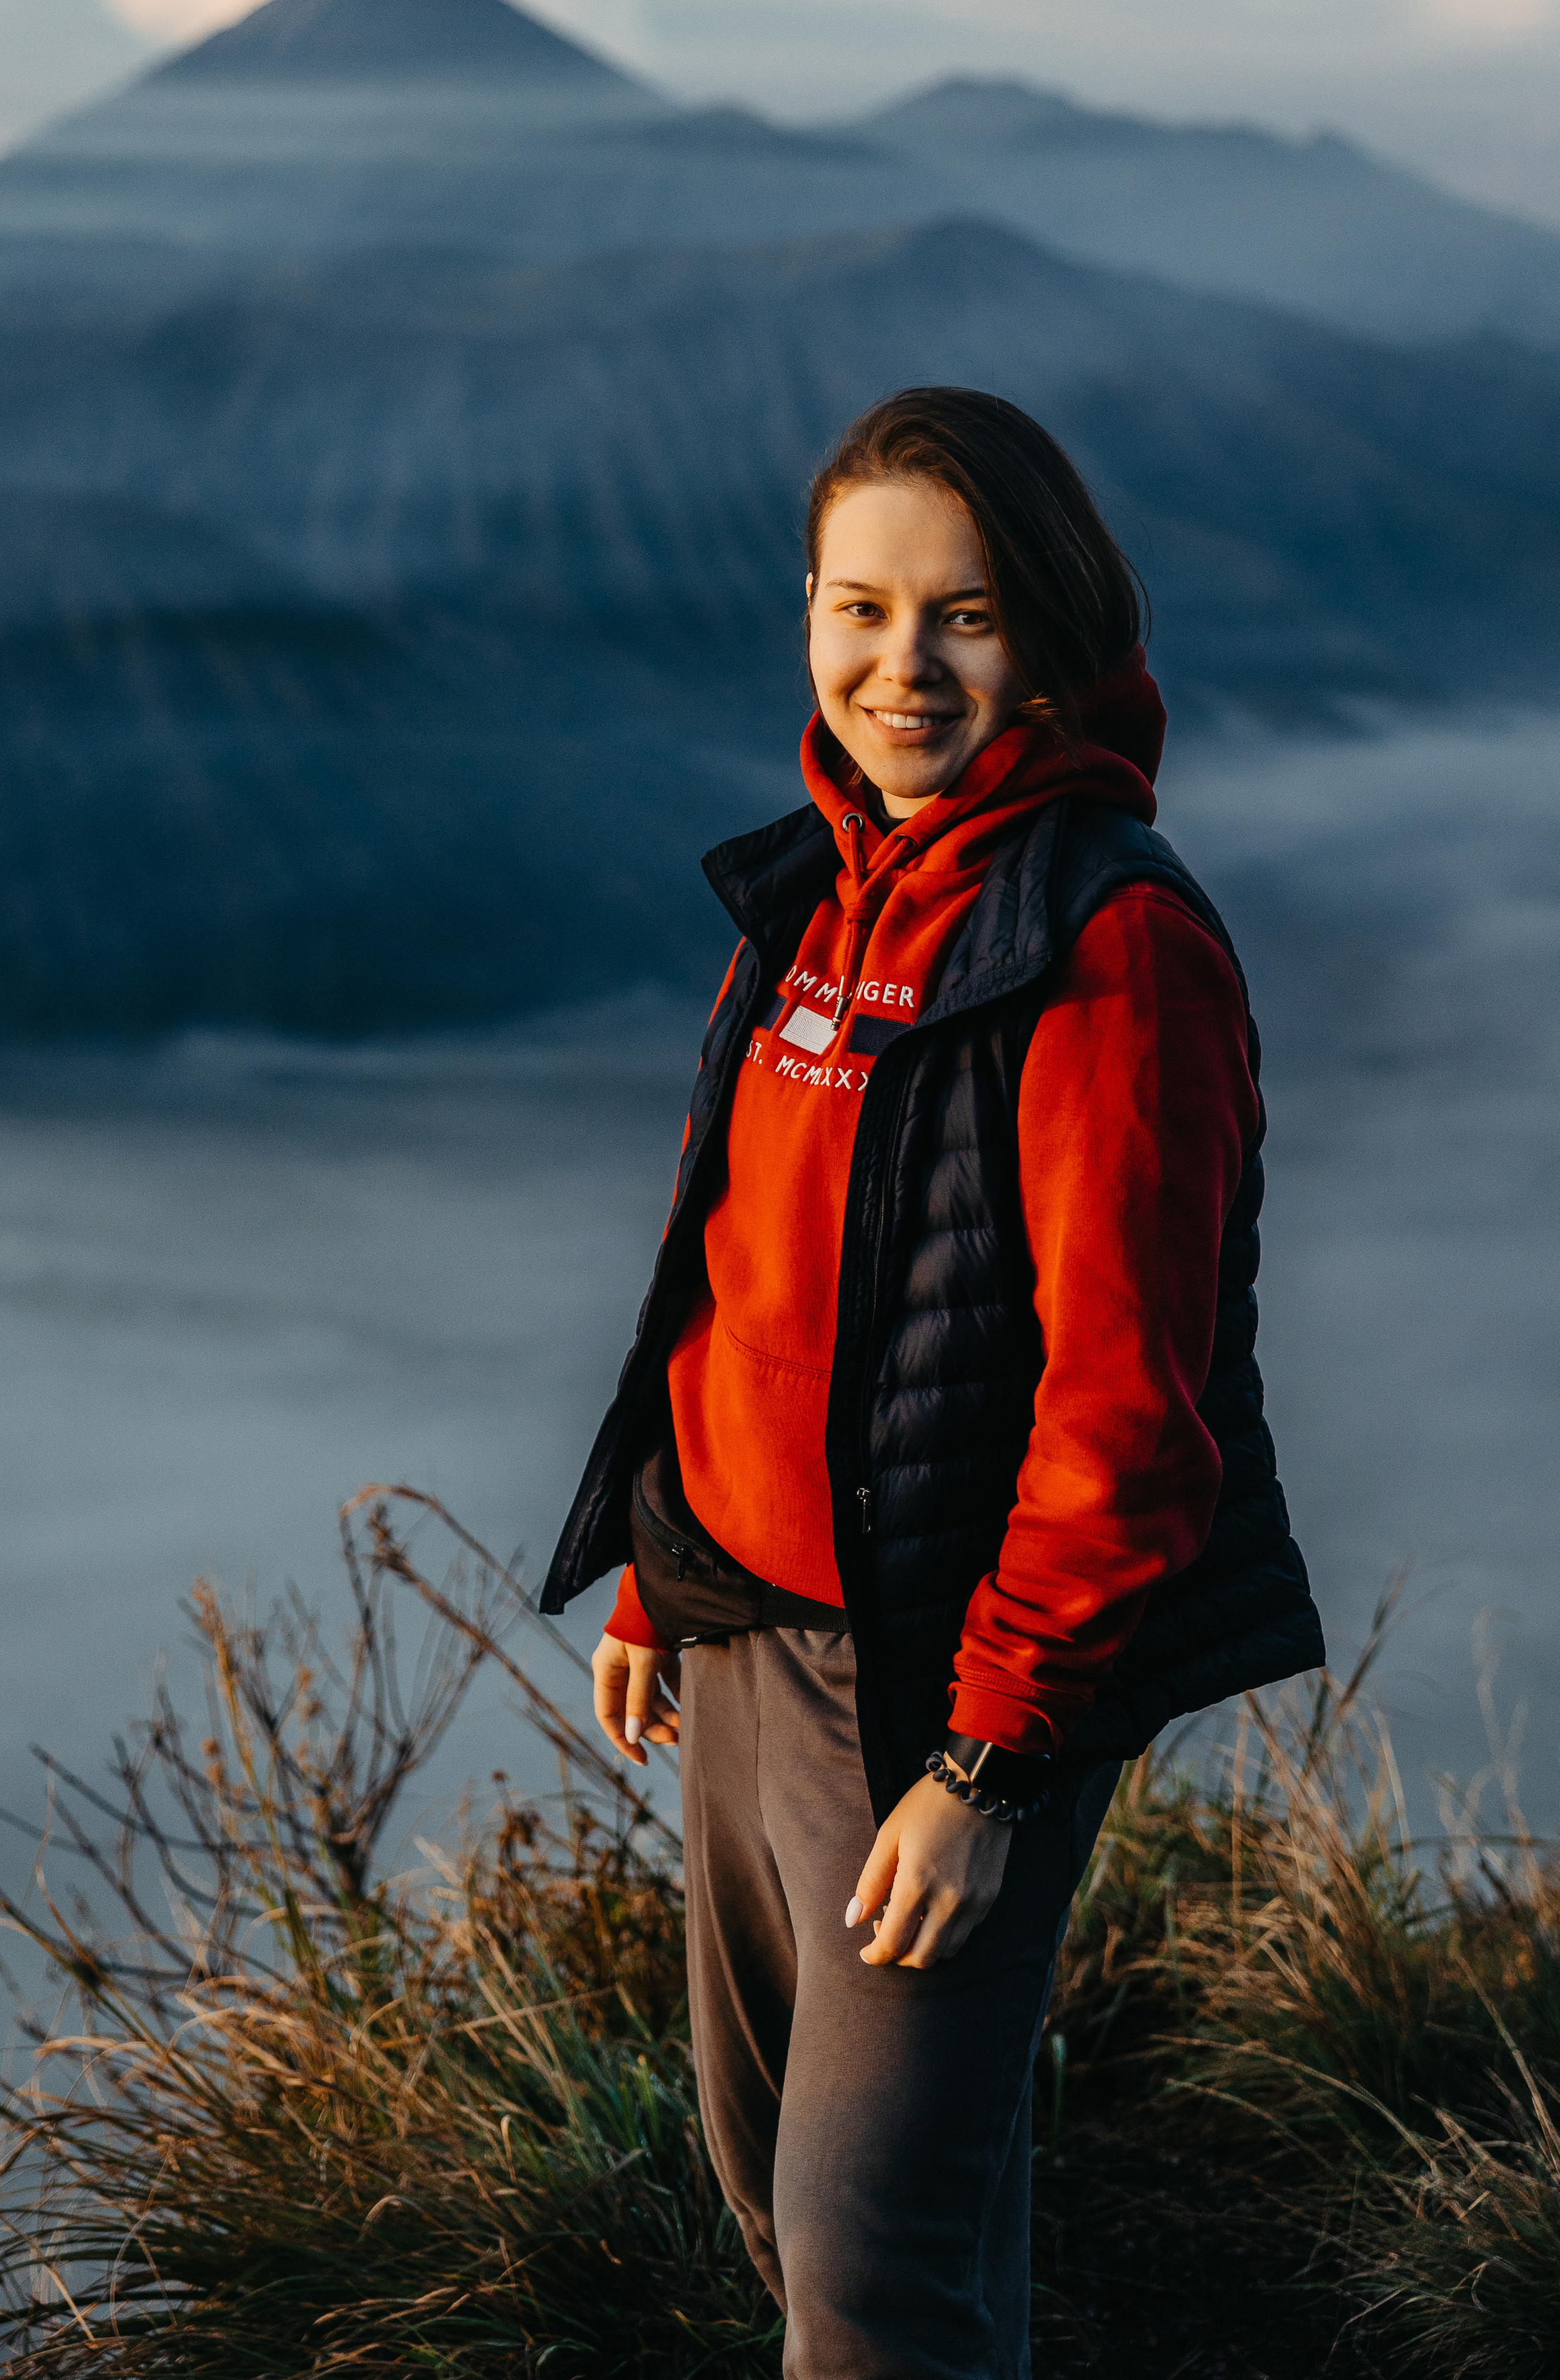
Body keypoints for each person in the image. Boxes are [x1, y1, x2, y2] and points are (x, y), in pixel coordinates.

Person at [540, 387, 1323, 2380]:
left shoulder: (1112, 946)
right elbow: (733, 1271)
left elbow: (1134, 1415)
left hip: (942, 1676)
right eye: (861, 611)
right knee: (795, 2197)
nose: (905, 669)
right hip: (742, 1635)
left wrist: (988, 1765)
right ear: (808, 613)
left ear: (1050, 627)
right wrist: (657, 1561)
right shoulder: (810, 897)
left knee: (869, 2273)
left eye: (963, 618)